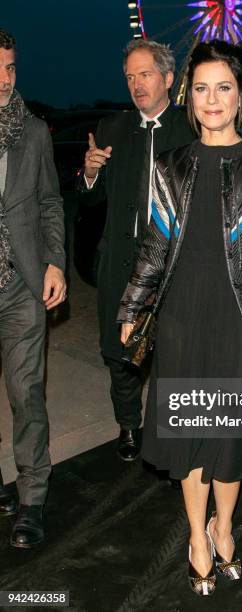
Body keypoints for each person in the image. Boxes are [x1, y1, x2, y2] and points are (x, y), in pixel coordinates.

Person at [119, 40, 242, 596]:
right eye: (201, 88)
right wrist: (133, 306)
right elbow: (154, 245)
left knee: (231, 437)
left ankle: (225, 524)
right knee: (190, 434)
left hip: (241, 320)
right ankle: (198, 535)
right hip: (181, 317)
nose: (212, 99)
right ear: (188, 97)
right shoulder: (170, 166)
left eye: (223, 87)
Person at [77, 40, 194, 462]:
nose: (136, 84)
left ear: (167, 78)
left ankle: (169, 430)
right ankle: (128, 425)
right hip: (121, 264)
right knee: (120, 353)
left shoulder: (191, 131)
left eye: (145, 74)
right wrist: (89, 174)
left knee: (170, 354)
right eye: (129, 76)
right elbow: (89, 201)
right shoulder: (111, 129)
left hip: (173, 267)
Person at [0, 29, 66, 548]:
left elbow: (50, 203)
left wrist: (55, 264)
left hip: (21, 284)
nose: (5, 78)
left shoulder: (36, 131)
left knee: (27, 394)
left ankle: (32, 498)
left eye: (12, 68)